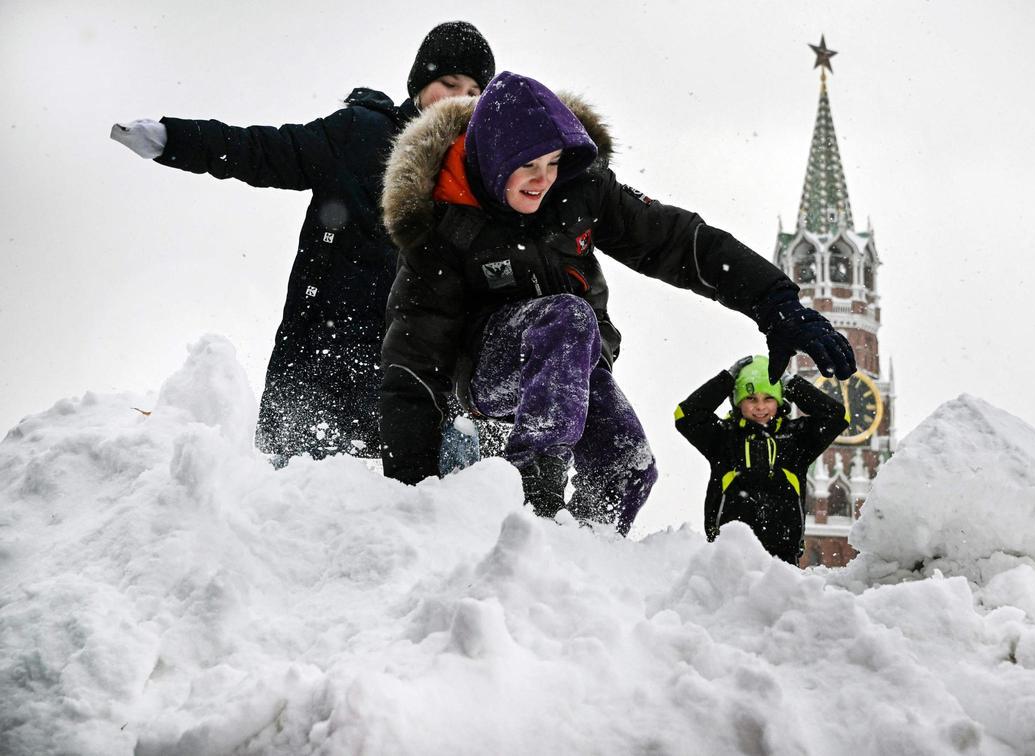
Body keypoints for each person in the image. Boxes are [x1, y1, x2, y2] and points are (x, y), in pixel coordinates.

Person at [378, 71, 857, 534]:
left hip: (572, 359)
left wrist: (776, 303)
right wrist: (408, 493)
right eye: (528, 167)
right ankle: (532, 507)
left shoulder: (578, 188)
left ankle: (585, 560)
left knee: (627, 464)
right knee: (566, 315)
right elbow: (413, 365)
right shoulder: (441, 227)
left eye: (551, 164)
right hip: (490, 367)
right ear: (494, 159)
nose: (542, 180)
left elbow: (680, 241)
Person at [109, 22, 494, 466]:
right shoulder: (361, 133)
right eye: (449, 83)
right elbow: (264, 150)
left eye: (473, 90)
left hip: (419, 369)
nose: (460, 98)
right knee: (294, 508)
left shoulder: (483, 175)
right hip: (323, 351)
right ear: (420, 84)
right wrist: (174, 139)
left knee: (412, 518)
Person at [674, 355, 848, 563]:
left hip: (782, 558)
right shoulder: (723, 438)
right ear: (738, 401)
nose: (760, 407)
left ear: (780, 400)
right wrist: (727, 380)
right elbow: (685, 415)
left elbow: (837, 417)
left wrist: (791, 384)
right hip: (728, 556)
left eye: (768, 398)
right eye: (750, 398)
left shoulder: (796, 439)